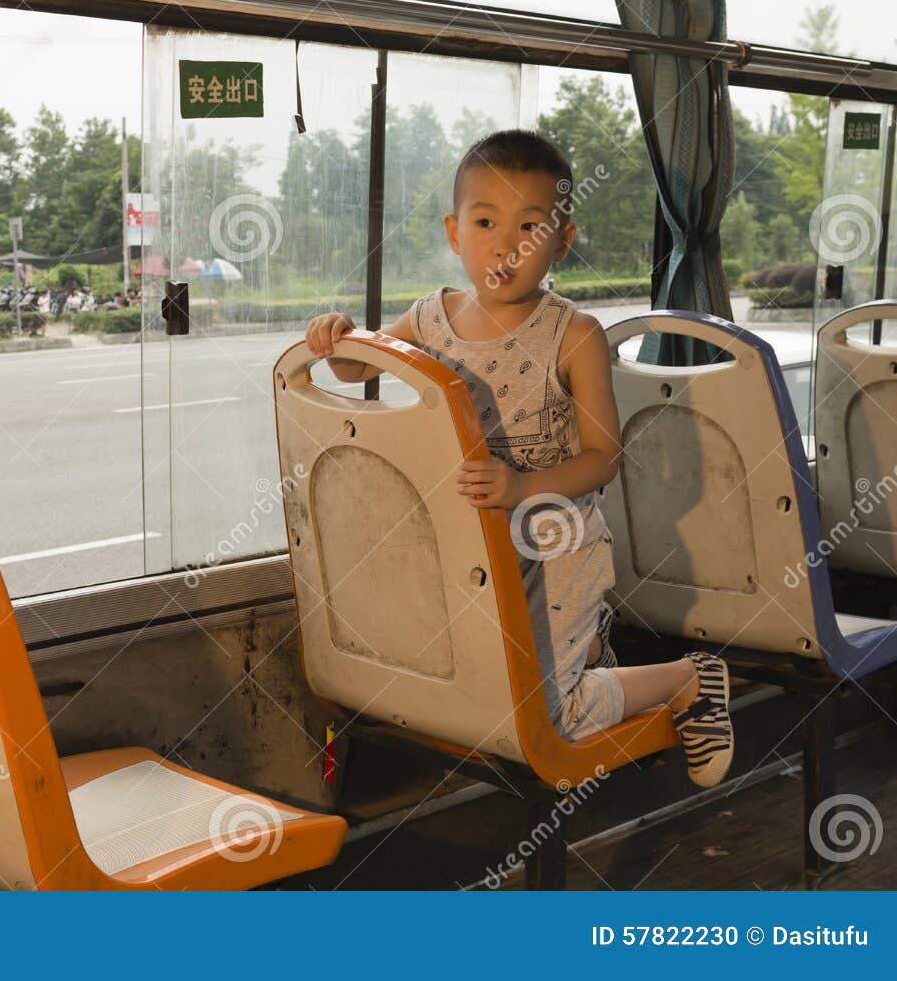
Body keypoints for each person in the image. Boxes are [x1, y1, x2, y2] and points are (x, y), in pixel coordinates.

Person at [304, 129, 733, 787]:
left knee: (545, 721)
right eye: (485, 222)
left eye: (531, 227)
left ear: (561, 241)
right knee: (483, 691)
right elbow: (354, 362)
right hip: (470, 543)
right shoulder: (430, 319)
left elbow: (601, 457)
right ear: (454, 232)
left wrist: (523, 484)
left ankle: (686, 678)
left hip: (557, 543)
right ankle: (587, 652)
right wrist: (334, 337)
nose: (505, 246)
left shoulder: (574, 336)